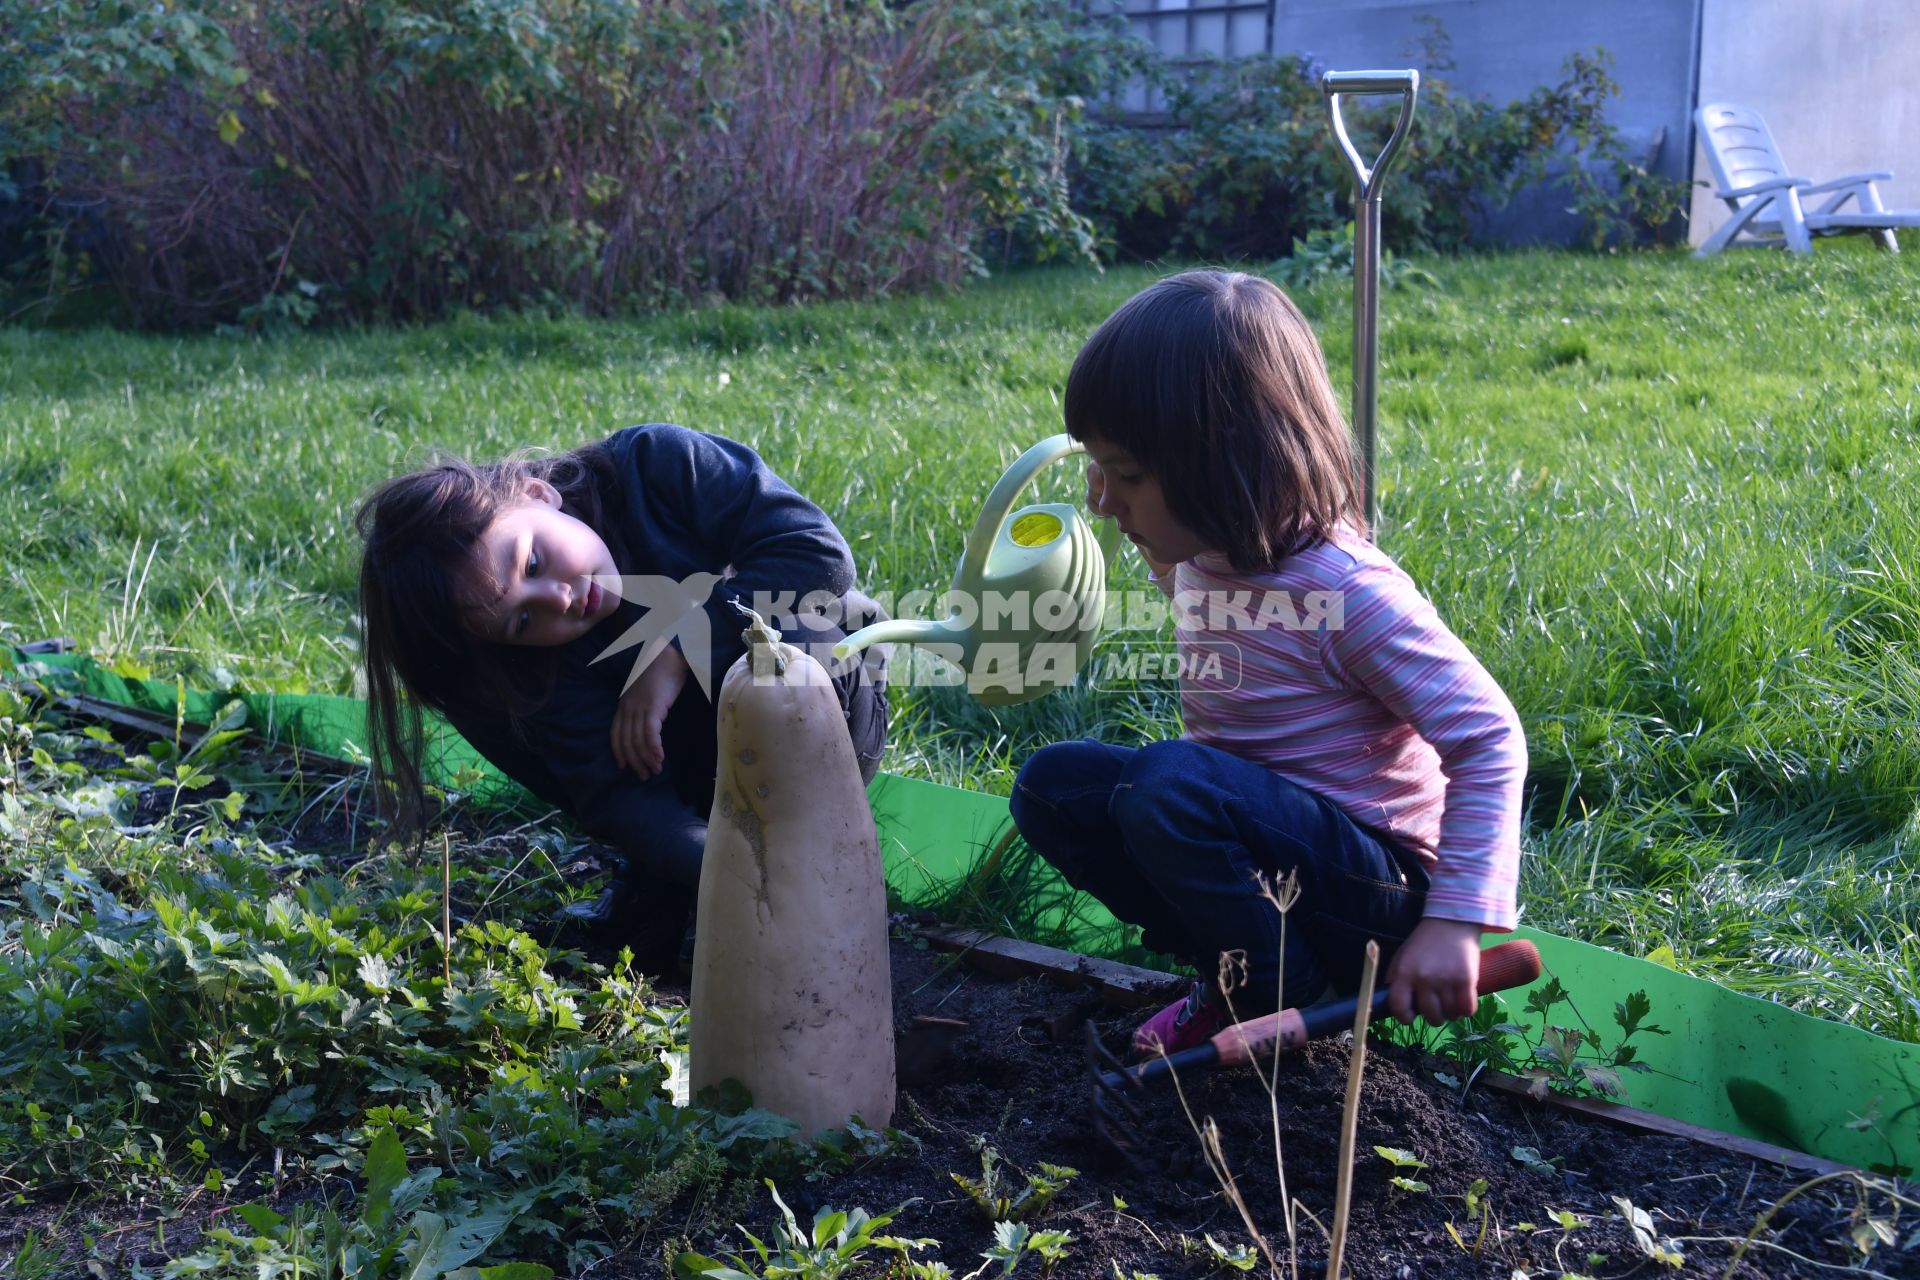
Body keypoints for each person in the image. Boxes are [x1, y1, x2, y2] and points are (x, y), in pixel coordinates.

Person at [1008, 271, 1526, 1057]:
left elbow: (1488, 736)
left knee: (1170, 787)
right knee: (1054, 787)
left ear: (1230, 465)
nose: (1102, 502)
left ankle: (1295, 1003)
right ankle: (1235, 976)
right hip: (1271, 859)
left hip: (1374, 890)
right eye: (1098, 468)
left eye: (1130, 476)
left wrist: (1455, 923)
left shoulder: (1345, 590)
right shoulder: (1204, 551)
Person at [355, 423, 889, 971]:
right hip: (693, 770)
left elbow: (817, 553)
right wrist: (733, 874)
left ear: (538, 494)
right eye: (521, 619)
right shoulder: (534, 670)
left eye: (532, 563)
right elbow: (626, 799)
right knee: (496, 700)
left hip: (838, 684)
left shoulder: (656, 465)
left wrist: (678, 647)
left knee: (787, 649)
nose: (558, 600)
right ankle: (684, 867)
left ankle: (809, 851)